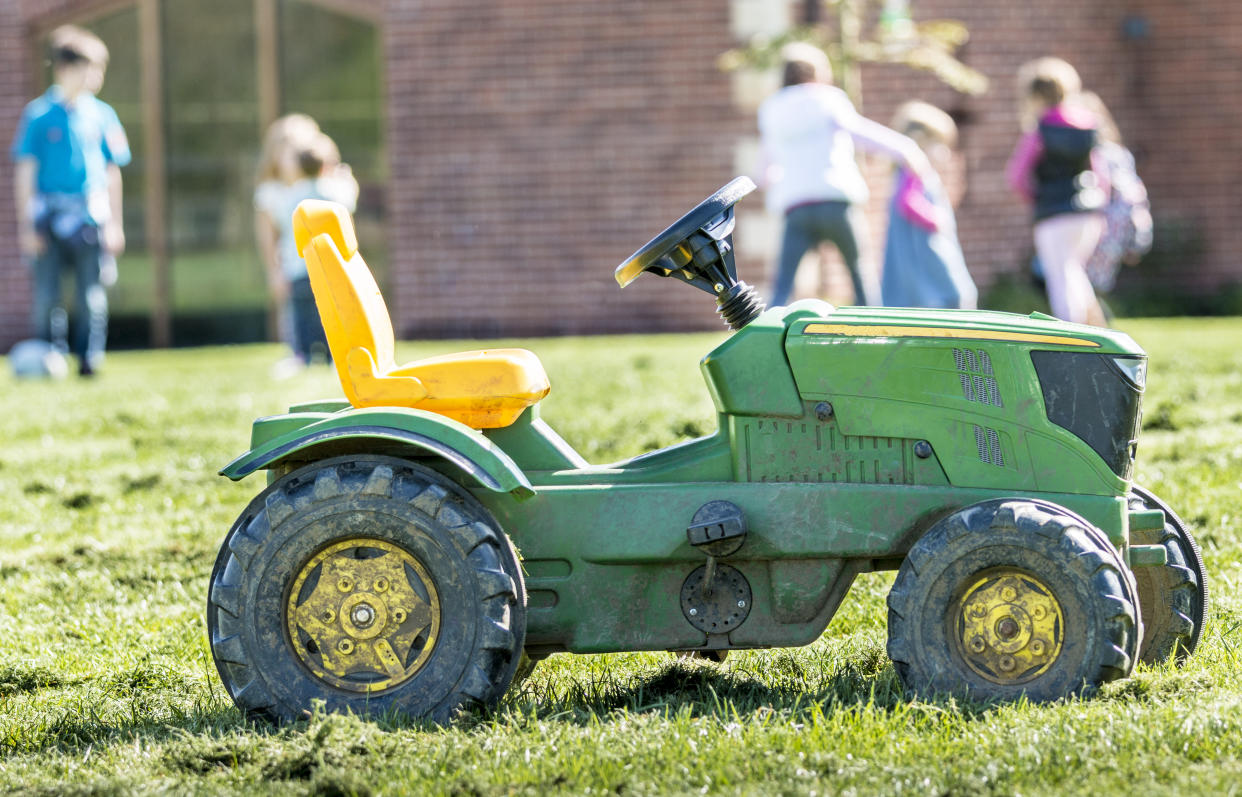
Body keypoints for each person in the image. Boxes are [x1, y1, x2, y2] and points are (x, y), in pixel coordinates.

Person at [757, 42, 930, 307]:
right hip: (835, 200)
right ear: (818, 73)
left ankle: (766, 340)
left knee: (782, 285)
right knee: (860, 273)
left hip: (796, 206)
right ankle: (873, 331)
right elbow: (861, 132)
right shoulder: (828, 99)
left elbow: (765, 170)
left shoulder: (771, 109)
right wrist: (906, 150)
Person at [12, 25, 129, 377]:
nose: (95, 77)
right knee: (48, 296)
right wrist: (26, 226)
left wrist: (115, 224)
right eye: (88, 68)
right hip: (48, 217)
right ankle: (51, 357)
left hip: (90, 219)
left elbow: (112, 171)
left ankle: (89, 359)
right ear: (63, 68)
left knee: (90, 294)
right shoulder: (38, 115)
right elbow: (25, 172)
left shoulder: (102, 115)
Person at [1006, 57, 1107, 325]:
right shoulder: (1088, 125)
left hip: (1053, 214)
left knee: (1059, 278)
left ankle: (1071, 339)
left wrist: (1037, 198)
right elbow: (1100, 174)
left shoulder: (1040, 129)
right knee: (1073, 272)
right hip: (1088, 213)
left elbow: (1016, 176)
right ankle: (1099, 329)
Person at [254, 124, 358, 371]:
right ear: (325, 167)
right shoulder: (333, 191)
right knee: (332, 312)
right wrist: (347, 179)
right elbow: (349, 201)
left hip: (298, 266)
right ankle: (335, 356)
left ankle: (303, 354)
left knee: (302, 315)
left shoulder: (291, 196)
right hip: (329, 267)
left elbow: (278, 219)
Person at [880, 101, 977, 310]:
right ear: (921, 142)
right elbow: (907, 201)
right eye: (940, 144)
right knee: (950, 295)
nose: (946, 153)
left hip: (921, 251)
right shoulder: (915, 168)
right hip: (925, 250)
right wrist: (935, 219)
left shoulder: (910, 170)